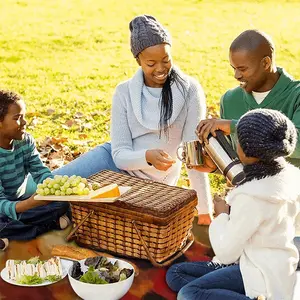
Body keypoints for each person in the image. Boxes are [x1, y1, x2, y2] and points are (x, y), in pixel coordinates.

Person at [53, 15, 213, 224]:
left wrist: (204, 211)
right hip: (112, 163)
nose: (160, 68)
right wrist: (146, 156)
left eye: (166, 60)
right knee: (49, 188)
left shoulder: (190, 90)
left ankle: (58, 217)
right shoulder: (125, 92)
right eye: (151, 63)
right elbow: (119, 155)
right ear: (138, 60)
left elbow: (193, 156)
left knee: (68, 206)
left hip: (149, 185)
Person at [166, 108, 300, 300]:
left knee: (188, 293)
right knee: (175, 274)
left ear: (245, 150)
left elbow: (226, 252)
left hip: (259, 274)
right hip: (273, 265)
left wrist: (222, 215)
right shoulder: (291, 177)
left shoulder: (251, 197)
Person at [195, 29, 300, 261]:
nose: (236, 75)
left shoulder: (296, 95)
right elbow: (242, 160)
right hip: (247, 205)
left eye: (242, 69)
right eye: (233, 68)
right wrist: (215, 165)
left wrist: (234, 126)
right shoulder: (230, 99)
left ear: (266, 62)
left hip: (289, 209)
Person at [0, 90, 70, 242]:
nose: (25, 122)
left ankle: (14, 233)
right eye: (17, 118)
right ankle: (45, 225)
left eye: (24, 116)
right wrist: (28, 204)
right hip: (4, 208)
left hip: (22, 202)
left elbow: (40, 171)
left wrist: (54, 189)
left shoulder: (25, 141)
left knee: (64, 203)